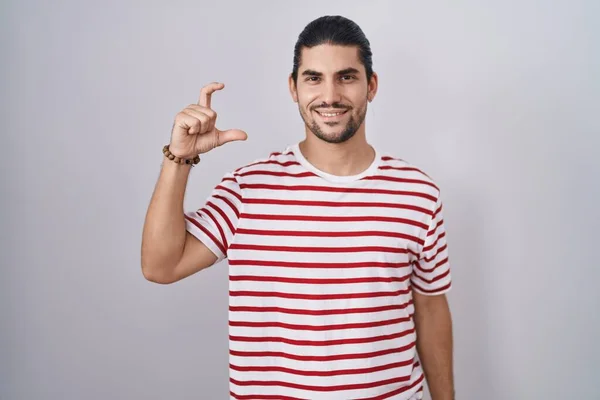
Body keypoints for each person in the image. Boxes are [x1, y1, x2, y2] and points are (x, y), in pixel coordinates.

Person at [141, 15, 454, 400]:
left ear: (371, 85)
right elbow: (160, 266)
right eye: (313, 78)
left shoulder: (417, 192)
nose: (330, 95)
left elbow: (430, 306)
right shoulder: (247, 189)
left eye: (347, 76)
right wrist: (179, 158)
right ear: (293, 87)